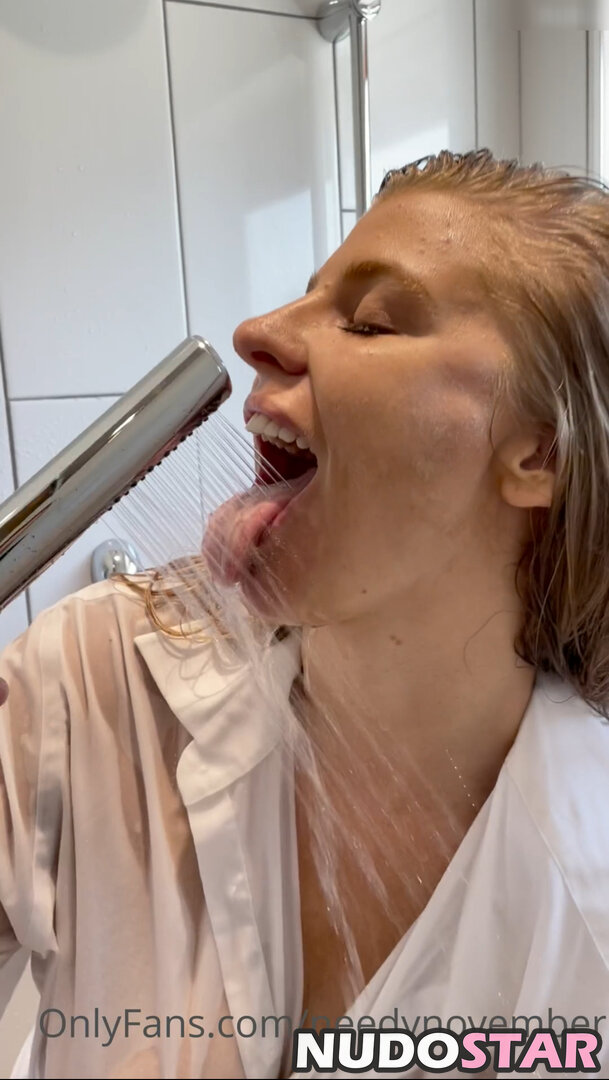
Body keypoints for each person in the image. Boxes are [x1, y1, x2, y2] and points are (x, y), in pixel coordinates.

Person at [1, 148, 609, 1079]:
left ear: (541, 454)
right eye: (303, 297)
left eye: (368, 323)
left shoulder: (588, 888)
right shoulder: (94, 683)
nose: (257, 332)